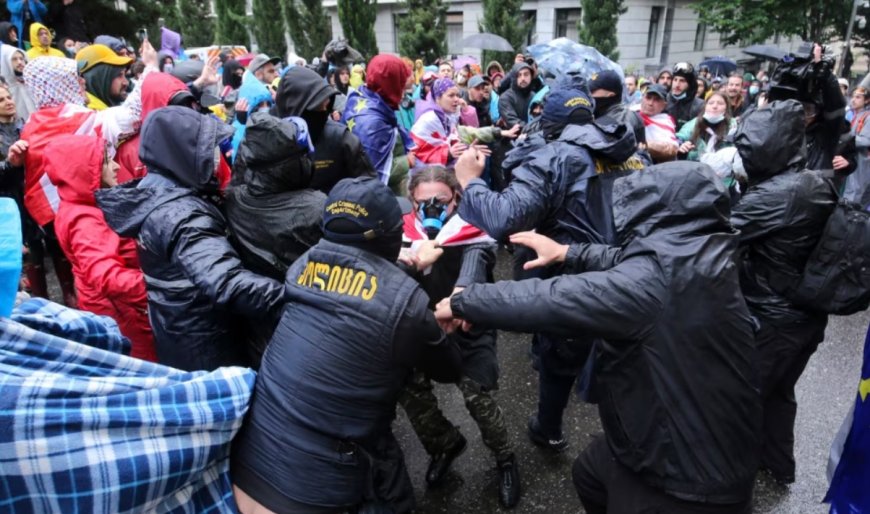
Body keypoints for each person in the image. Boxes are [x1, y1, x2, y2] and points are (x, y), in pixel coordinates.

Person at [435, 161, 761, 514]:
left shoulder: (649, 284)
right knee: (589, 473)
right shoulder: (705, 248)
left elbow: (552, 299)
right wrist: (567, 252)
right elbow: (627, 258)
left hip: (686, 481)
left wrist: (463, 302)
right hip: (674, 431)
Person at [231, 176, 463, 514]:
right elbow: (450, 368)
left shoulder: (301, 267)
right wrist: (437, 325)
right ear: (389, 235)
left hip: (252, 464)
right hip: (319, 491)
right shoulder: (406, 306)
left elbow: (351, 285)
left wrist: (406, 268)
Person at [453, 76, 647, 453]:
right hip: (627, 272)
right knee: (616, 358)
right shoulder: (632, 152)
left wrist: (470, 181)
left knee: (560, 356)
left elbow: (506, 218)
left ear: (550, 121)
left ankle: (549, 430)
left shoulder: (556, 157)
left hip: (574, 277)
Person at [95, 107, 285, 371]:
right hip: (208, 345)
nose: (218, 156)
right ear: (182, 152)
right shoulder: (180, 215)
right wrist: (293, 296)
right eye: (209, 148)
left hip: (176, 330)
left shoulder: (155, 190)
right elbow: (227, 283)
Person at [396, 166, 520, 508]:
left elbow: (477, 255)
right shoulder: (403, 233)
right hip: (423, 324)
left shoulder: (470, 226)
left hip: (468, 323)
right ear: (411, 201)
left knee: (477, 396)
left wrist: (461, 295)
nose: (432, 209)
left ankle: (505, 458)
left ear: (457, 198)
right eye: (423, 202)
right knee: (410, 390)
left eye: (441, 201)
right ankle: (445, 443)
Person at [731, 100, 838, 485]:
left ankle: (730, 486)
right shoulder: (815, 180)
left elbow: (718, 237)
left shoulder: (773, 196)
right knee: (779, 392)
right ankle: (778, 464)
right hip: (806, 314)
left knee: (740, 398)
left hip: (772, 318)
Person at [43, 134, 156, 362]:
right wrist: (158, 286)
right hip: (123, 314)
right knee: (145, 366)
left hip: (120, 308)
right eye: (105, 162)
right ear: (85, 171)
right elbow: (106, 276)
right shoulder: (84, 220)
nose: (115, 166)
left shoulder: (82, 204)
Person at [275, 65, 375, 193]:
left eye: (326, 107)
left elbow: (369, 189)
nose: (323, 113)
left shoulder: (342, 139)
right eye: (317, 108)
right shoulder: (270, 141)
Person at [344, 54, 414, 189]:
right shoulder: (373, 122)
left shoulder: (364, 98)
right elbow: (371, 174)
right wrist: (406, 162)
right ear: (391, 83)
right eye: (400, 82)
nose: (403, 88)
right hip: (378, 198)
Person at [590, 70, 645, 147]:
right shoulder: (634, 115)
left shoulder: (607, 123)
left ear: (610, 95)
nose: (589, 95)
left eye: (592, 91)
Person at [676, 92, 736, 161]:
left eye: (720, 103)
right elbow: (678, 138)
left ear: (726, 108)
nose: (714, 106)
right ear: (705, 106)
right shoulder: (695, 123)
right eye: (711, 103)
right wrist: (681, 146)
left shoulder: (733, 126)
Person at [75, 44, 133, 110]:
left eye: (124, 74)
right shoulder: (93, 114)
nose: (126, 83)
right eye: (118, 75)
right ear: (97, 79)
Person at [638, 84, 678, 163]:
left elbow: (672, 149)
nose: (650, 103)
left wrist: (645, 145)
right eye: (648, 98)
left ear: (664, 105)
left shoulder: (665, 121)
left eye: (656, 100)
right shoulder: (630, 112)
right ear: (642, 98)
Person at [844, 86, 870, 206]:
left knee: (854, 194)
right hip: (850, 159)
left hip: (861, 161)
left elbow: (866, 141)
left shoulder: (868, 117)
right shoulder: (852, 115)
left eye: (858, 97)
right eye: (853, 96)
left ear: (867, 100)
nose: (853, 100)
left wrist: (845, 139)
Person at [0, 43, 36, 122]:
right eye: (14, 59)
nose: (19, 62)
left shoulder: (32, 83)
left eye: (21, 58)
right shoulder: (4, 90)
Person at [665, 62, 704, 132]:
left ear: (690, 84)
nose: (677, 84)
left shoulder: (699, 106)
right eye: (675, 80)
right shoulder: (663, 100)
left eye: (682, 81)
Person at [498, 62, 536, 130]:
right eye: (519, 75)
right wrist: (534, 129)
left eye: (526, 74)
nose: (523, 78)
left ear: (531, 76)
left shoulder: (535, 96)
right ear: (514, 78)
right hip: (511, 138)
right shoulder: (505, 98)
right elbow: (513, 122)